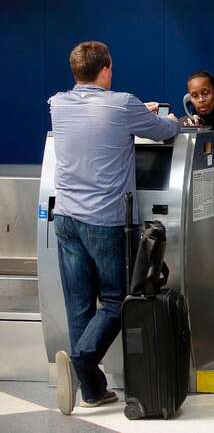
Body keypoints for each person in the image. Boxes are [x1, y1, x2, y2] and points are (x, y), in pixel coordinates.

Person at [48, 41, 180, 415]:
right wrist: (155, 114)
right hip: (106, 221)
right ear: (105, 69)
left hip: (67, 219)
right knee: (115, 299)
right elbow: (163, 130)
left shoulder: (57, 103)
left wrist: (139, 114)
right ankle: (82, 361)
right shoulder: (122, 104)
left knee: (78, 305)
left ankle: (91, 391)